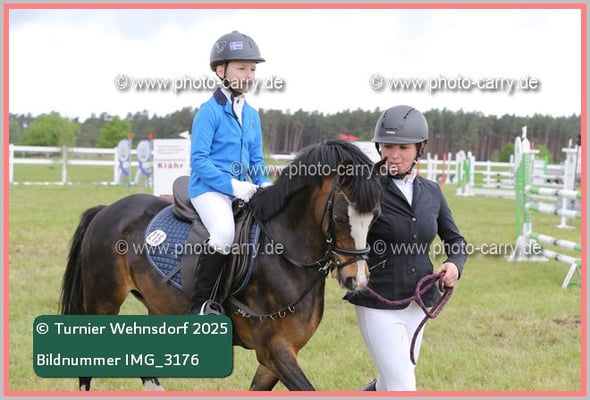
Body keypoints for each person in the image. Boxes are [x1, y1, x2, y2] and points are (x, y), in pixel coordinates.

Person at [344, 105, 468, 391]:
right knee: (403, 385)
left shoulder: (432, 191)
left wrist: (455, 265)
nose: (394, 155)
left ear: (419, 149)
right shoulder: (366, 190)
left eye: (403, 147)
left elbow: (456, 241)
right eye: (388, 146)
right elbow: (345, 236)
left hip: (418, 303)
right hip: (377, 302)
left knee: (389, 382)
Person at [188, 31, 271, 315]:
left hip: (242, 189)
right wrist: (233, 186)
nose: (249, 75)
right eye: (241, 68)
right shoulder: (208, 112)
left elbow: (257, 159)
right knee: (224, 235)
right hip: (208, 190)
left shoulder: (252, 115)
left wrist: (264, 183)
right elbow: (199, 161)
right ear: (221, 71)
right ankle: (201, 305)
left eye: (252, 69)